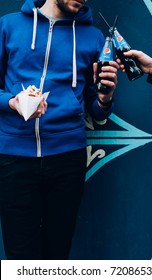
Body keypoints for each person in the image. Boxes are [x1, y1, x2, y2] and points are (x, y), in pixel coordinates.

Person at [0, 0, 119, 260]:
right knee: (20, 257)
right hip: (13, 157)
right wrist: (11, 102)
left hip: (67, 157)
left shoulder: (93, 37)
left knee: (57, 255)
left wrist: (105, 98)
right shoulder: (9, 26)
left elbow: (96, 110)